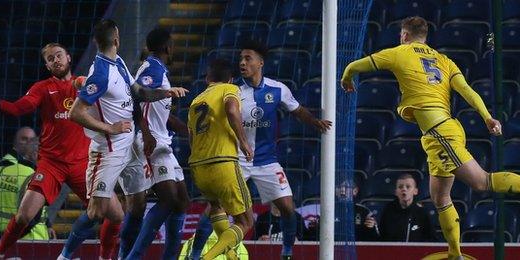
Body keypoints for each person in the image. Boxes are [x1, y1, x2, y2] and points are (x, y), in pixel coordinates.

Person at [341, 16, 520, 259]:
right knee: (440, 196)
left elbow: (356, 66)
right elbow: (466, 89)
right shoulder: (443, 60)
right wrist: (487, 117)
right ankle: (455, 254)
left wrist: (346, 77)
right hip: (447, 127)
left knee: (481, 182)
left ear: (404, 35)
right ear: (424, 36)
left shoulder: (399, 52)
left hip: (439, 132)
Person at [0, 42, 119, 260]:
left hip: (83, 163)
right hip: (52, 163)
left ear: (68, 58)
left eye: (58, 55)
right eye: (50, 59)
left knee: (116, 214)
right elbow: (20, 108)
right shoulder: (43, 88)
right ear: (47, 66)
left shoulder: (86, 84)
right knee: (24, 215)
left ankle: (105, 257)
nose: (55, 60)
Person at [189, 40, 332, 260]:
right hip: (237, 160)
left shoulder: (278, 89)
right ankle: (196, 252)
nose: (243, 63)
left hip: (267, 161)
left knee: (287, 206)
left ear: (260, 63)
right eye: (240, 59)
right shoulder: (233, 90)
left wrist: (314, 122)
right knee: (214, 209)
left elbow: (297, 110)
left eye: (248, 59)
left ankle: (286, 250)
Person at [57, 19, 187, 260]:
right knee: (96, 211)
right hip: (109, 150)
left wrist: (166, 92)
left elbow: (138, 92)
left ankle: (125, 257)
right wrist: (110, 126)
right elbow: (75, 113)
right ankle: (64, 256)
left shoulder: (118, 62)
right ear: (116, 39)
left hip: (131, 147)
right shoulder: (100, 74)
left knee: (137, 207)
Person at [123, 28, 191, 260]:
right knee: (169, 198)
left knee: (182, 200)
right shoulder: (152, 67)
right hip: (150, 141)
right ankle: (133, 257)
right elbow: (137, 97)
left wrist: (187, 131)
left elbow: (160, 113)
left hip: (163, 140)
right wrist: (146, 132)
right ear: (167, 47)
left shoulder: (159, 69)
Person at [187, 58, 254, 260]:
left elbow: (191, 136)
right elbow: (232, 110)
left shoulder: (196, 100)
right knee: (245, 221)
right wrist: (243, 142)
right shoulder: (229, 88)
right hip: (222, 162)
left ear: (208, 78)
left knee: (217, 208)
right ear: (230, 78)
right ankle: (207, 258)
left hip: (198, 166)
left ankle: (231, 257)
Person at [0, 127, 56, 240]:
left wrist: (47, 224)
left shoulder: (1, 169)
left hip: (6, 233)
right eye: (25, 140)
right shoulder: (32, 175)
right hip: (34, 237)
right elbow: (34, 213)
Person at [379, 174, 436, 242]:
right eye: (400, 187)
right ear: (396, 192)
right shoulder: (388, 210)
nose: (404, 189)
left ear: (415, 191)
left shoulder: (422, 212)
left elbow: (432, 239)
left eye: (408, 187)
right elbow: (382, 237)